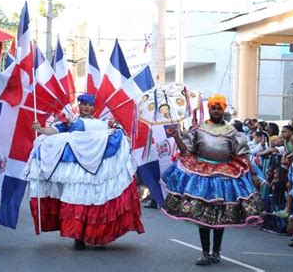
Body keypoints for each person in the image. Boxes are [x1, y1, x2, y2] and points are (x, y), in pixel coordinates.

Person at [26, 93, 144, 249]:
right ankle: (78, 236)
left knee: (97, 198)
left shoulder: (102, 123)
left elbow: (115, 134)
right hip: (78, 169)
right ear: (79, 105)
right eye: (85, 104)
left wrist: (118, 131)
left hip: (97, 167)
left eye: (90, 105)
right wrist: (40, 129)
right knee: (79, 198)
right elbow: (55, 130)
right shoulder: (70, 120)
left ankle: (97, 233)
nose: (88, 108)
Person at [162, 95, 262, 265]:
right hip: (202, 175)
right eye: (213, 108)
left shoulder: (232, 132)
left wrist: (253, 174)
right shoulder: (198, 129)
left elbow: (242, 155)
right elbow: (187, 152)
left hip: (224, 175)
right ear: (209, 110)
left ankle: (216, 252)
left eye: (219, 108)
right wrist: (176, 136)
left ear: (224, 110)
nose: (216, 111)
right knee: (203, 217)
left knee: (220, 216)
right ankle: (205, 253)